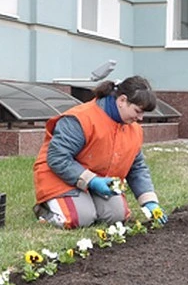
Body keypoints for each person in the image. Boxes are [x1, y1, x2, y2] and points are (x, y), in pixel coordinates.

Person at [32, 75, 167, 229]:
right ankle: (45, 209)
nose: (141, 118)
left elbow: (136, 167)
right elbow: (57, 158)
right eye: (138, 111)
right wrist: (92, 181)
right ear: (122, 100)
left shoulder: (133, 129)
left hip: (97, 181)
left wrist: (149, 201)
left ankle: (86, 202)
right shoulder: (81, 119)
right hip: (59, 177)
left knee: (116, 217)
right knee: (78, 219)